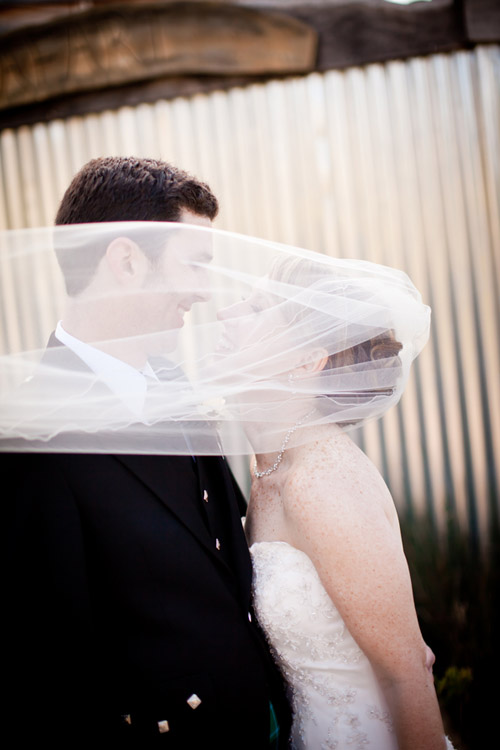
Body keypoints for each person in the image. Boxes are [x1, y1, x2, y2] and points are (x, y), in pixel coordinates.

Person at [2, 157, 291, 748]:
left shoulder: (179, 388)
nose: (205, 293)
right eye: (195, 265)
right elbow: (52, 678)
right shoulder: (35, 439)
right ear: (127, 260)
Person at [216, 255, 454, 750]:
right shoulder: (271, 473)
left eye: (256, 307)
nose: (225, 313)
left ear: (308, 361)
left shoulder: (323, 481)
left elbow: (407, 674)